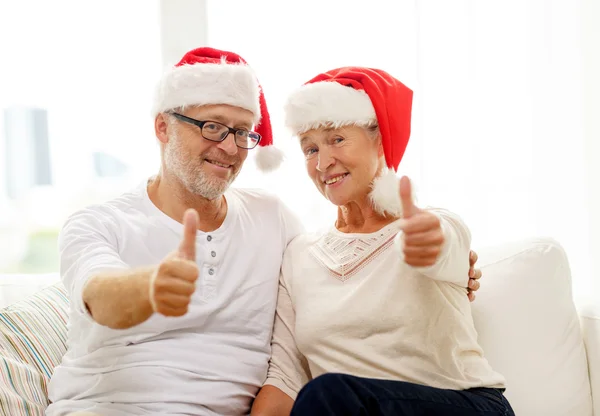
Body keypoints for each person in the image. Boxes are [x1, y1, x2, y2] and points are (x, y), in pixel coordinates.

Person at [46, 48, 482, 416]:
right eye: (212, 126)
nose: (231, 148)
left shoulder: (272, 221)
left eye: (241, 132)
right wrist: (149, 287)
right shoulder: (97, 223)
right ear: (163, 127)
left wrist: (446, 256)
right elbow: (98, 293)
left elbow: (436, 244)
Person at [251, 67, 514, 415]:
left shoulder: (432, 224)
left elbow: (443, 245)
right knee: (324, 396)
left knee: (329, 394)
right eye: (310, 149)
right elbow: (286, 378)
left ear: (380, 140)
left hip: (462, 405)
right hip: (342, 407)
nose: (323, 162)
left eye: (337, 139)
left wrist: (427, 241)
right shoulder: (299, 255)